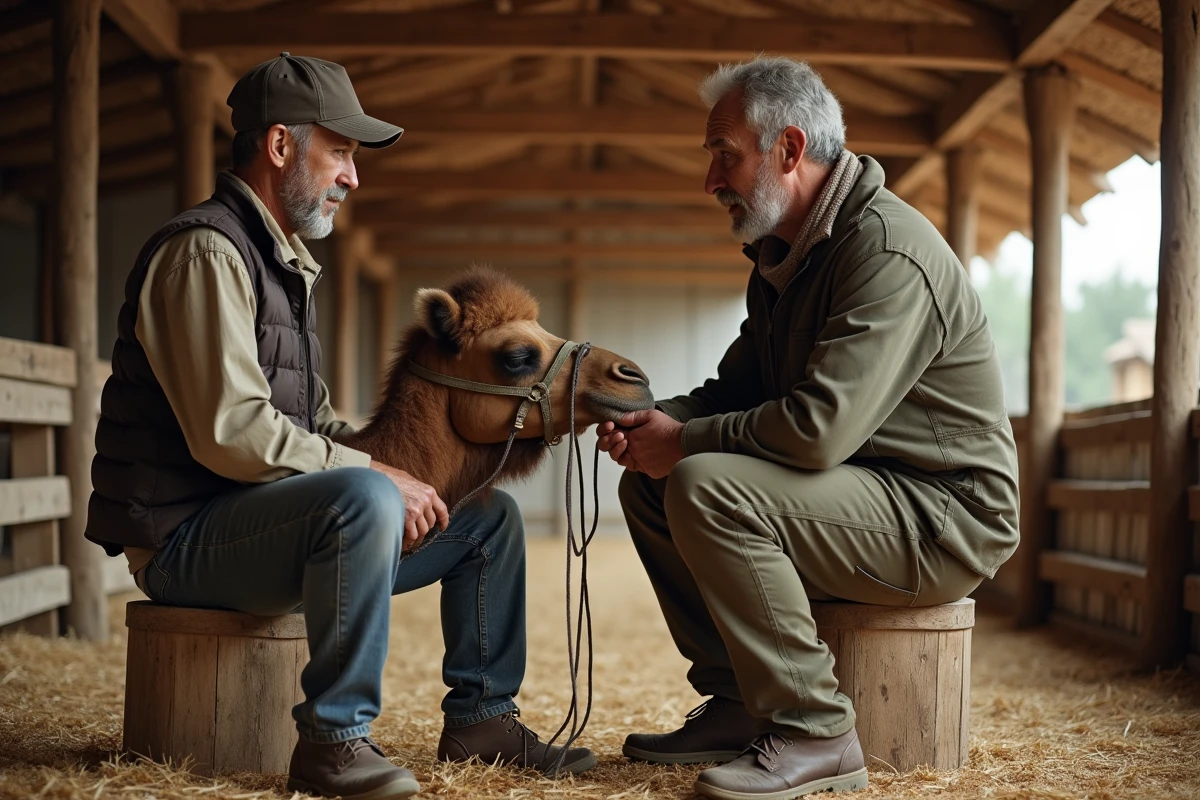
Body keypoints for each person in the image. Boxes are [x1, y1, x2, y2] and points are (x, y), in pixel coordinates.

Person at [85, 53, 594, 800]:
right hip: (185, 537)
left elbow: (315, 422)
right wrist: (380, 479)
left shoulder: (281, 262)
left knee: (487, 521)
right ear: (281, 145)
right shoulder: (206, 253)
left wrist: (424, 466)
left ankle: (483, 717)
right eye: (343, 151)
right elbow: (231, 432)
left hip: (257, 523)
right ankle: (333, 742)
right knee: (363, 496)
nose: (354, 176)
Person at [598, 56, 1019, 800]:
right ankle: (738, 703)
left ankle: (815, 729)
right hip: (867, 490)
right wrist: (653, 425)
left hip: (944, 514)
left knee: (703, 484)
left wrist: (684, 444)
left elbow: (819, 430)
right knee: (654, 485)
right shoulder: (785, 261)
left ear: (789, 150)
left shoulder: (885, 251)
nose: (711, 181)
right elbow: (734, 391)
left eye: (724, 154)